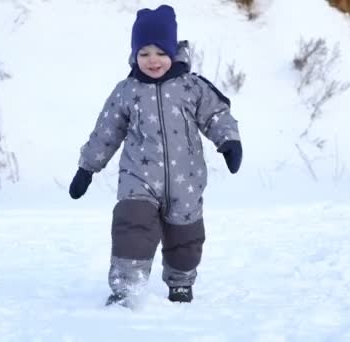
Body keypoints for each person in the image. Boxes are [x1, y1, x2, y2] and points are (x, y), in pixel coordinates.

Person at [68, 4, 242, 306]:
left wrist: (229, 142)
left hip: (186, 180)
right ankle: (126, 287)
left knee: (185, 237)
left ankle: (181, 283)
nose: (153, 60)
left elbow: (216, 114)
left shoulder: (192, 86)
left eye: (160, 52)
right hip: (139, 177)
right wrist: (87, 168)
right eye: (144, 52)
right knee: (131, 225)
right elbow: (106, 131)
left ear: (173, 51)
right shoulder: (126, 91)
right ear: (134, 54)